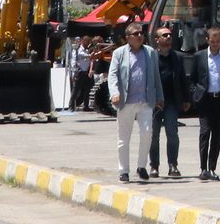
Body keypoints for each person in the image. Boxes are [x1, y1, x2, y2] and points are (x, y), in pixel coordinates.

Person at [106, 20, 163, 183]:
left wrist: (160, 96)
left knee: (147, 134)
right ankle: (123, 170)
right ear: (128, 37)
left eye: (141, 33)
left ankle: (141, 166)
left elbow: (155, 76)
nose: (140, 36)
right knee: (124, 138)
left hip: (145, 101)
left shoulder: (151, 52)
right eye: (136, 34)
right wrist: (114, 93)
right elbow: (112, 75)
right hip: (126, 102)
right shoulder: (119, 53)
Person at [186, 25, 220, 181]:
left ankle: (212, 168)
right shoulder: (199, 56)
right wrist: (194, 95)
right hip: (205, 100)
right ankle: (203, 168)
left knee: (217, 135)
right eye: (213, 41)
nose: (215, 44)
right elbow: (192, 79)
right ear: (207, 40)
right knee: (205, 133)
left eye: (218, 41)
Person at [149, 26, 189, 177]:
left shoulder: (178, 57)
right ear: (157, 40)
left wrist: (186, 99)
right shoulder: (151, 57)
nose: (168, 37)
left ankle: (173, 165)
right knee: (153, 135)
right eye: (164, 35)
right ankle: (154, 166)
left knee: (172, 133)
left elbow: (183, 78)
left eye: (170, 35)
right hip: (155, 102)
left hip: (171, 101)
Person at [66, 36, 93, 113]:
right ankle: (71, 106)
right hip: (79, 72)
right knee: (75, 90)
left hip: (86, 72)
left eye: (88, 42)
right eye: (86, 41)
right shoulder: (77, 50)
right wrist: (74, 72)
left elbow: (90, 60)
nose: (87, 43)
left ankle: (86, 106)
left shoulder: (87, 50)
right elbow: (74, 61)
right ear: (83, 41)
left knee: (86, 90)